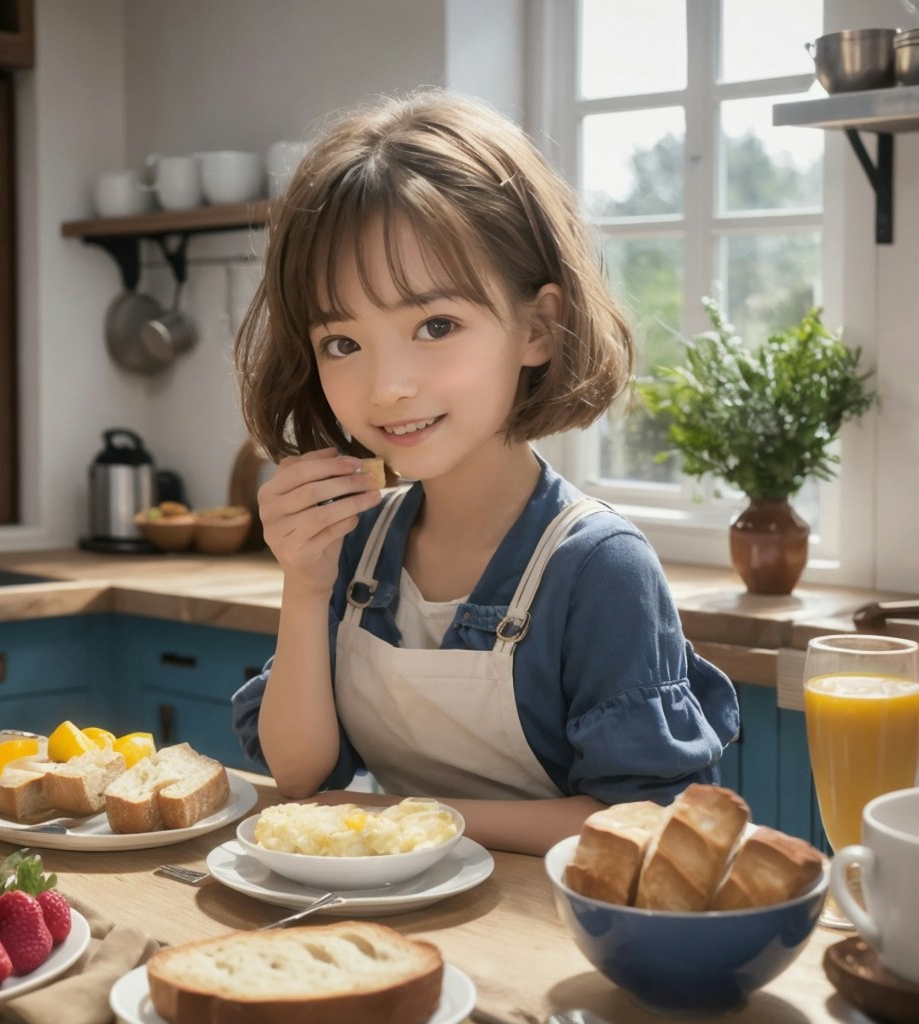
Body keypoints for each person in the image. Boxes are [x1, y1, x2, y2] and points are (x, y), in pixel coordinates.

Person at [231, 89, 739, 856]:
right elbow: (305, 778)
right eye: (343, 343)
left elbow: (642, 826)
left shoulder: (600, 569)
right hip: (399, 914)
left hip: (556, 942)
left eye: (435, 326)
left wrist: (396, 814)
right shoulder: (360, 543)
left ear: (537, 327)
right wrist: (303, 586)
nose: (386, 386)